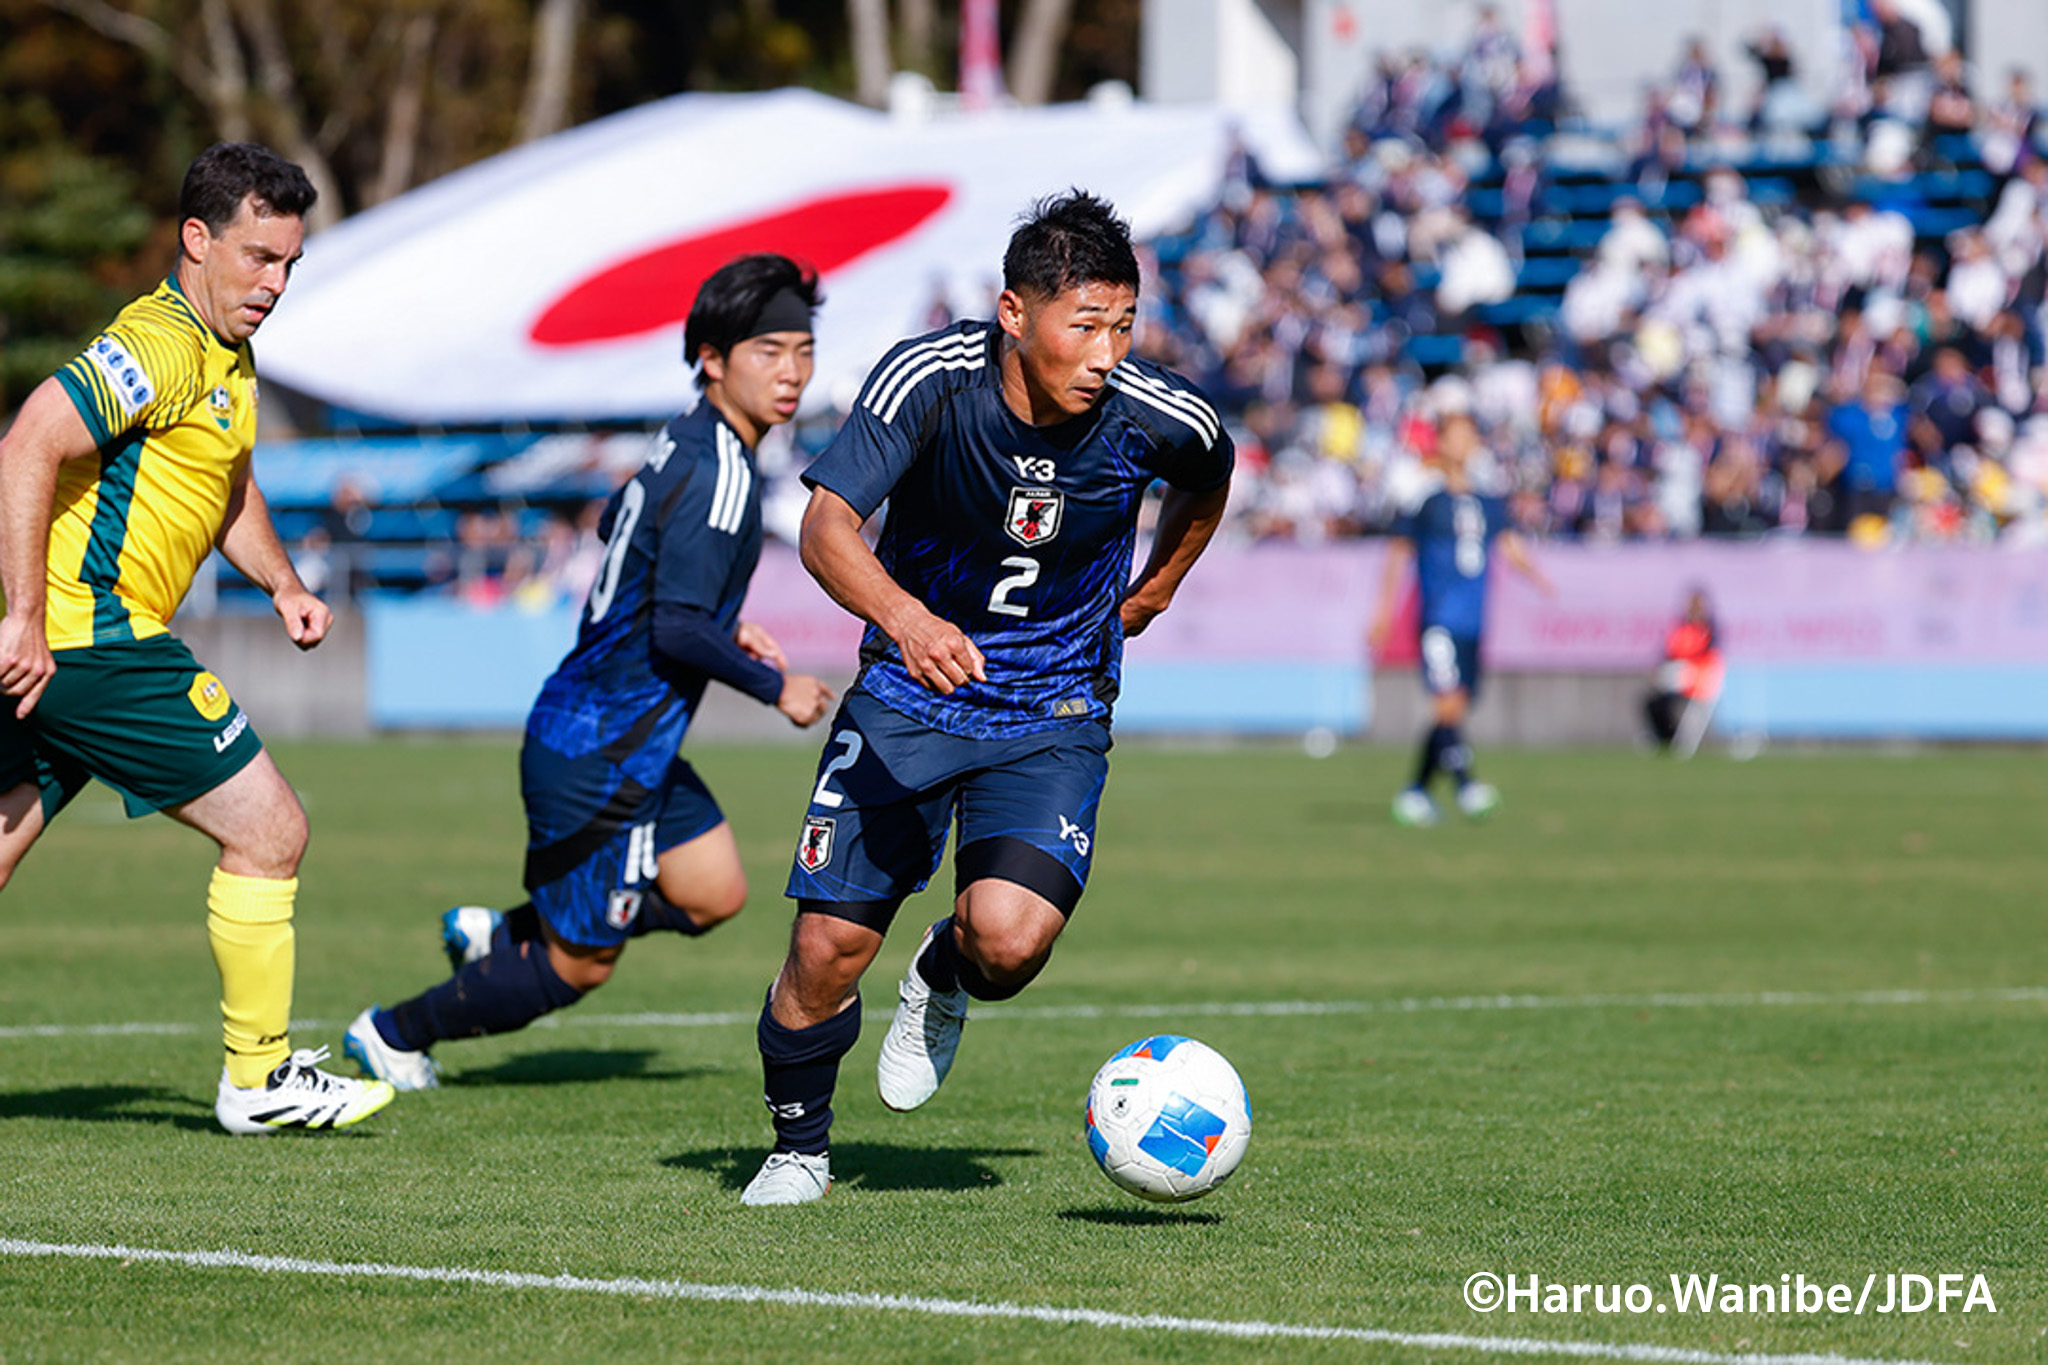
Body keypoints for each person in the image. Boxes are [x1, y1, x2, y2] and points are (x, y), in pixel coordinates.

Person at [739, 191, 1233, 1206]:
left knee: (1007, 943)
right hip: (908, 701)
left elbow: (1209, 473)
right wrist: (910, 623)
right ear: (1015, 314)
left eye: (1123, 325)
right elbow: (827, 529)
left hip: (1051, 709)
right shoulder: (930, 379)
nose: (1106, 352)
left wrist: (1160, 586)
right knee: (826, 948)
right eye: (1083, 326)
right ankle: (798, 1148)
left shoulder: (1154, 415)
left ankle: (946, 970)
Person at [343, 255, 835, 1090]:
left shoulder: (687, 439)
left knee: (714, 890)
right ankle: (392, 1032)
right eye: (766, 352)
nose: (790, 372)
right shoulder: (719, 469)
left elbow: (621, 524)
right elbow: (675, 626)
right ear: (712, 358)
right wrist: (773, 686)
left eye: (801, 349)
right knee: (579, 968)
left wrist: (719, 614)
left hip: (627, 739)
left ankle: (503, 932)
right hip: (599, 748)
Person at [0, 142, 394, 1133]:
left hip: (77, 645)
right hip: (93, 638)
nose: (274, 283)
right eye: (258, 257)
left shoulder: (228, 357)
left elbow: (225, 483)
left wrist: (284, 585)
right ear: (196, 239)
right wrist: (25, 617)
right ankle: (258, 1080)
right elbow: (27, 443)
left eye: (289, 263)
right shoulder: (163, 342)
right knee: (270, 830)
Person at [1371, 411, 1551, 827]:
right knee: (1448, 700)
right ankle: (1467, 785)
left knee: (1455, 708)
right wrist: (1383, 612)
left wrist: (1538, 578)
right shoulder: (1425, 499)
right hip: (1439, 617)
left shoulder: (1487, 501)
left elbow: (1508, 546)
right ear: (1440, 442)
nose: (1465, 443)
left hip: (1474, 620)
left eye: (1470, 435)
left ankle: (1415, 792)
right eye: (1457, 435)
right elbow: (1399, 554)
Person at [1645, 587, 1724, 750]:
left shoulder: (1709, 630)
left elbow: (1707, 657)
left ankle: (1680, 742)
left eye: (1698, 605)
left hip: (1699, 678)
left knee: (1694, 709)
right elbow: (1669, 653)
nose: (1694, 609)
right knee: (1654, 702)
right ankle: (1664, 737)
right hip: (1679, 676)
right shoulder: (1680, 628)